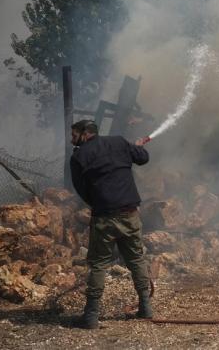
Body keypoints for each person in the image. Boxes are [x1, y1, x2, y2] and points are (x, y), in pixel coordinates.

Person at [69, 119, 152, 329]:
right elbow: (143, 158)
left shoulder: (78, 157)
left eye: (74, 134)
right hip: (129, 213)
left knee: (98, 264)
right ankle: (145, 307)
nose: (71, 139)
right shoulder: (119, 142)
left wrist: (100, 203)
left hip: (103, 217)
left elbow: (82, 190)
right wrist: (136, 147)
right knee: (136, 259)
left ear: (85, 134)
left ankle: (90, 317)